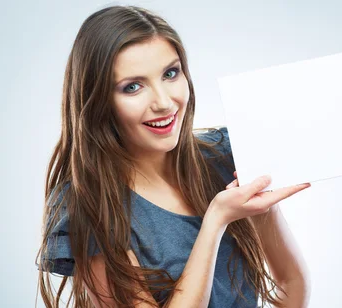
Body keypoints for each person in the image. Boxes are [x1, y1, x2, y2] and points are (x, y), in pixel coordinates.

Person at [36, 5, 311, 308]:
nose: (165, 103)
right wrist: (216, 219)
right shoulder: (86, 203)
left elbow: (291, 284)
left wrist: (263, 203)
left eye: (170, 73)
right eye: (133, 87)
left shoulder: (225, 155)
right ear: (99, 100)